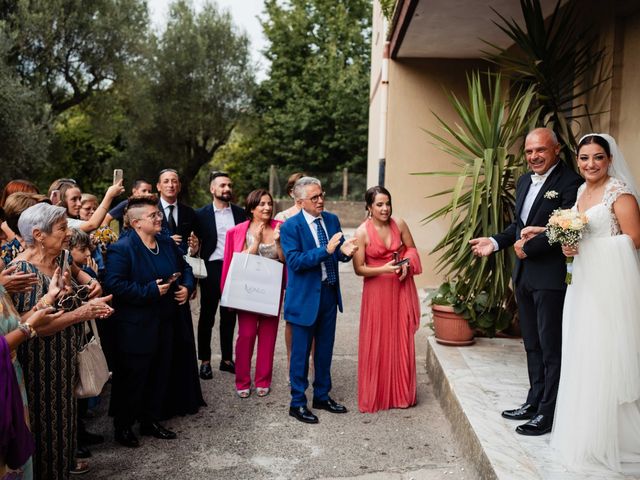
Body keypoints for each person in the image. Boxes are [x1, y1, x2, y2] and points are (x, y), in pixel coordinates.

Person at [521, 134, 640, 472]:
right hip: (582, 283)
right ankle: (584, 432)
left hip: (609, 286)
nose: (591, 164)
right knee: (582, 350)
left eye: (598, 158)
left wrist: (585, 245)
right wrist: (558, 237)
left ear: (609, 160)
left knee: (604, 353)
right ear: (577, 160)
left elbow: (634, 239)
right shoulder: (581, 193)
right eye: (585, 158)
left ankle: (613, 436)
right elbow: (577, 230)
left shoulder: (620, 192)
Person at [469, 127, 583, 436]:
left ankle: (548, 412)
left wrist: (526, 247)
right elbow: (518, 226)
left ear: (556, 150)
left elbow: (564, 228)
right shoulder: (523, 181)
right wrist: (494, 242)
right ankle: (534, 401)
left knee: (550, 346)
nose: (533, 156)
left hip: (550, 277)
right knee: (531, 343)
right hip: (524, 277)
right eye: (530, 151)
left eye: (541, 150)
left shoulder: (572, 183)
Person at [10, 203, 114, 479]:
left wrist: (92, 290)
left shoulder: (64, 258)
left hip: (65, 360)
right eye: (62, 228)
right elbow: (34, 326)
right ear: (39, 234)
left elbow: (85, 286)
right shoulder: (22, 272)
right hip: (39, 367)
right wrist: (80, 314)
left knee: (64, 427)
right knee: (43, 431)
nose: (68, 233)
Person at [104, 196, 197, 449]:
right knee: (133, 376)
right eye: (153, 216)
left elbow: (185, 266)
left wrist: (187, 287)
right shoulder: (122, 249)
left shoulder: (166, 243)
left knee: (160, 371)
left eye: (159, 214)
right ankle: (123, 425)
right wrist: (149, 292)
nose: (160, 218)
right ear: (136, 223)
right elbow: (114, 285)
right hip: (135, 325)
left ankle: (150, 420)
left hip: (166, 321)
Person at [279, 176, 358, 424]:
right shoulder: (291, 227)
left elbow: (339, 252)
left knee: (324, 350)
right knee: (301, 354)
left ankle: (322, 396)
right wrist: (327, 251)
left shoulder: (332, 220)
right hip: (303, 298)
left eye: (321, 195)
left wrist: (345, 253)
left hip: (328, 294)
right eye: (315, 197)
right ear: (301, 201)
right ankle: (297, 403)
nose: (321, 200)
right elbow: (295, 262)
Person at [353, 186, 422, 413]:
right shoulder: (361, 232)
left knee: (400, 337)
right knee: (378, 339)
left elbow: (411, 249)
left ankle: (401, 394)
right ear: (369, 207)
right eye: (379, 204)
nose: (385, 209)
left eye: (387, 203)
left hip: (400, 288)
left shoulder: (399, 224)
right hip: (376, 293)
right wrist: (383, 268)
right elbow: (359, 269)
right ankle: (378, 395)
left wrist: (406, 265)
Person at [220, 189, 284, 398]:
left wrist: (278, 242)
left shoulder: (280, 228)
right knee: (246, 335)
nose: (267, 208)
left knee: (268, 336)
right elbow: (233, 262)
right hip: (247, 289)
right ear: (251, 208)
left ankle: (263, 380)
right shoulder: (237, 231)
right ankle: (242, 380)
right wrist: (255, 243)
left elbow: (285, 260)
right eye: (261, 204)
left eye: (269, 203)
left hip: (272, 289)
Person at [193, 171, 246, 379]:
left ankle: (226, 359)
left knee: (229, 316)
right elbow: (195, 246)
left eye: (229, 185)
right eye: (223, 185)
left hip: (234, 268)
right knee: (207, 316)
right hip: (212, 268)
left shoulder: (241, 214)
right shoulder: (200, 215)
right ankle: (205, 361)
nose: (227, 189)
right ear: (212, 189)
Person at [274, 172, 305, 374]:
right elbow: (280, 252)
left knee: (313, 321)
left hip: (313, 274)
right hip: (290, 275)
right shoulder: (282, 217)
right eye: (298, 186)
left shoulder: (319, 212)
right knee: (292, 321)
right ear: (291, 191)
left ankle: (310, 362)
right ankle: (290, 362)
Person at [156, 169, 197, 255]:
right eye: (166, 181)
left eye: (174, 181)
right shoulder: (150, 211)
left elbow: (194, 241)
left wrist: (193, 249)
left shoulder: (189, 212)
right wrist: (165, 241)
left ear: (179, 187)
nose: (170, 185)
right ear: (158, 187)